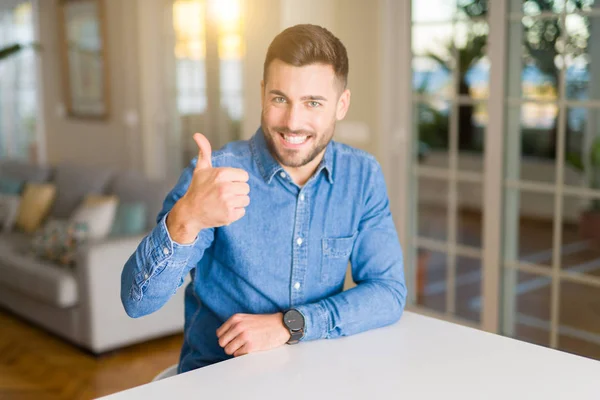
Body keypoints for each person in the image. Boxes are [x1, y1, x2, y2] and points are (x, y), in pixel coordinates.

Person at [121, 23, 406, 374]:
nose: (292, 122)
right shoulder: (214, 175)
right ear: (262, 94)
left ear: (341, 104)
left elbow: (388, 292)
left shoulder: (362, 176)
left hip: (318, 375)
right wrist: (187, 218)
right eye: (279, 99)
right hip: (219, 382)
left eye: (313, 103)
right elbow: (137, 303)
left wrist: (290, 325)